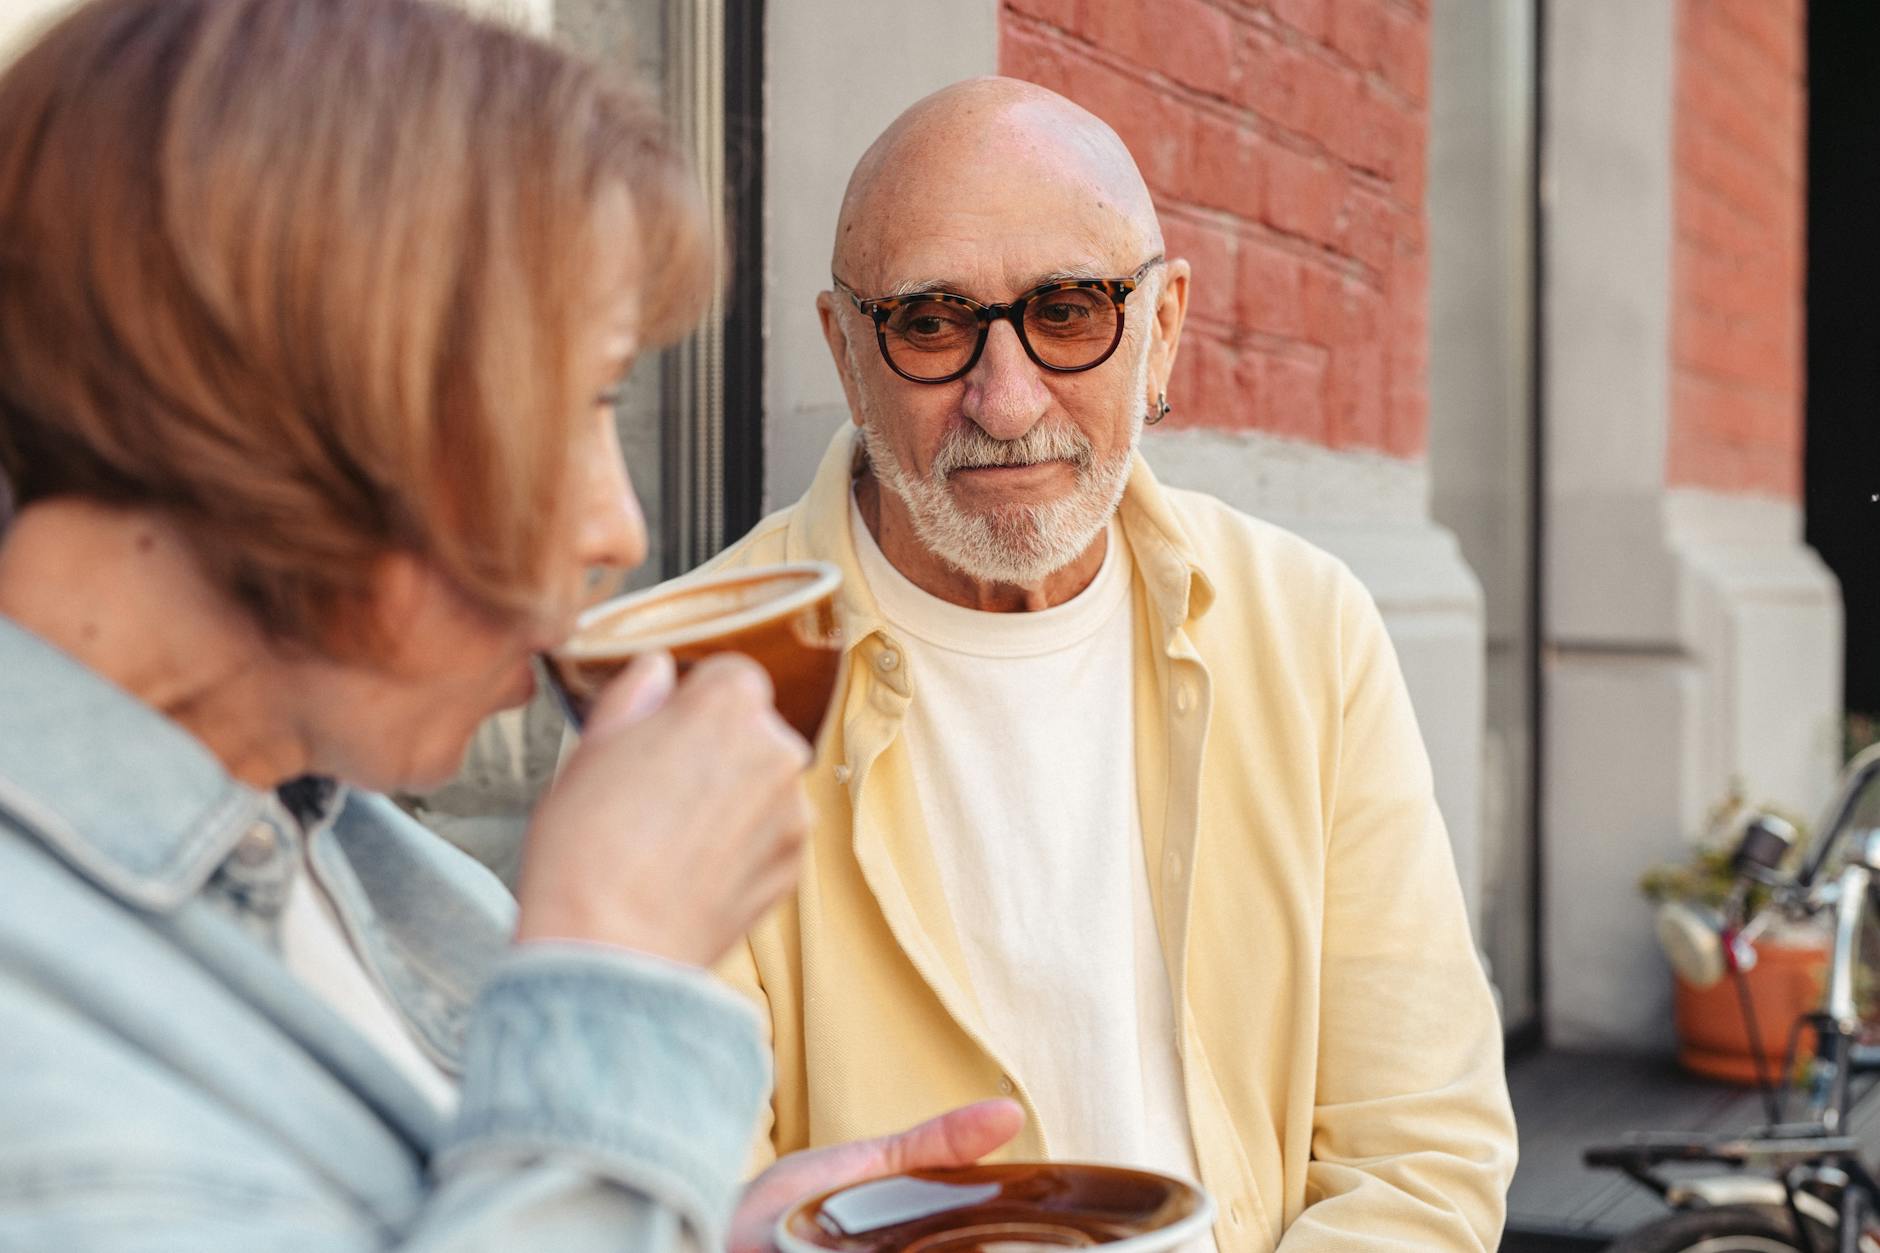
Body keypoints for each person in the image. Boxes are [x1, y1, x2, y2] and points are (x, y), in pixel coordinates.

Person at [0, 2, 1020, 1248]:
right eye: (573, 401)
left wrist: (702, 1219)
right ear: (288, 393)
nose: (619, 528)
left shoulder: (348, 844)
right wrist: (620, 976)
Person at [707, 77, 1519, 1250]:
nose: (1005, 397)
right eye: (931, 323)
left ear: (1163, 326)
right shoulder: (702, 679)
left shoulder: (1307, 629)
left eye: (1069, 311)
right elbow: (684, 1195)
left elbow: (1420, 1152)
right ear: (845, 348)